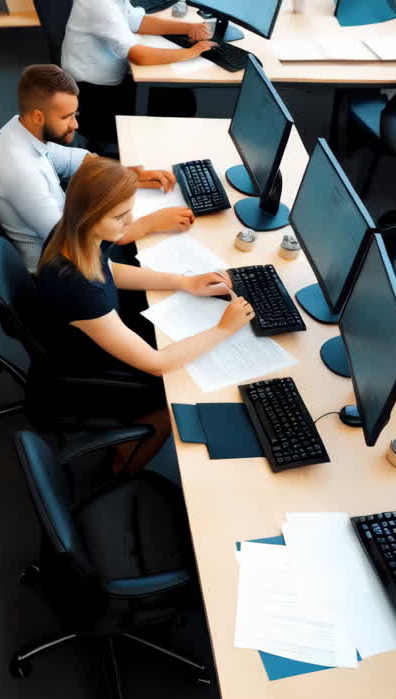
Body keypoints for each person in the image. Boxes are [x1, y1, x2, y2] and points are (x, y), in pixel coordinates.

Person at [36, 158, 253, 471]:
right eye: (119, 216)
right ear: (89, 215)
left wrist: (183, 282)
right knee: (176, 393)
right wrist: (223, 329)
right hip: (93, 366)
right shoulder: (80, 291)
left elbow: (110, 272)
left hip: (96, 332)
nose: (130, 222)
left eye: (129, 211)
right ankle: (121, 468)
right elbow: (156, 364)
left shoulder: (73, 234)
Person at [0, 64, 196, 270]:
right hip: (61, 264)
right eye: (66, 117)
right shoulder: (22, 172)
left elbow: (76, 160)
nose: (75, 125)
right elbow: (71, 241)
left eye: (75, 115)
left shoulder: (22, 127)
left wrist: (128, 175)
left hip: (69, 225)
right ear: (38, 116)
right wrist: (150, 223)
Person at [60, 0, 213, 146]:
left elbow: (136, 22)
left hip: (102, 86)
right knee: (180, 103)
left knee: (180, 97)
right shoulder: (99, 4)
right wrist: (192, 52)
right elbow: (140, 56)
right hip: (93, 100)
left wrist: (190, 28)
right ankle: (145, 153)